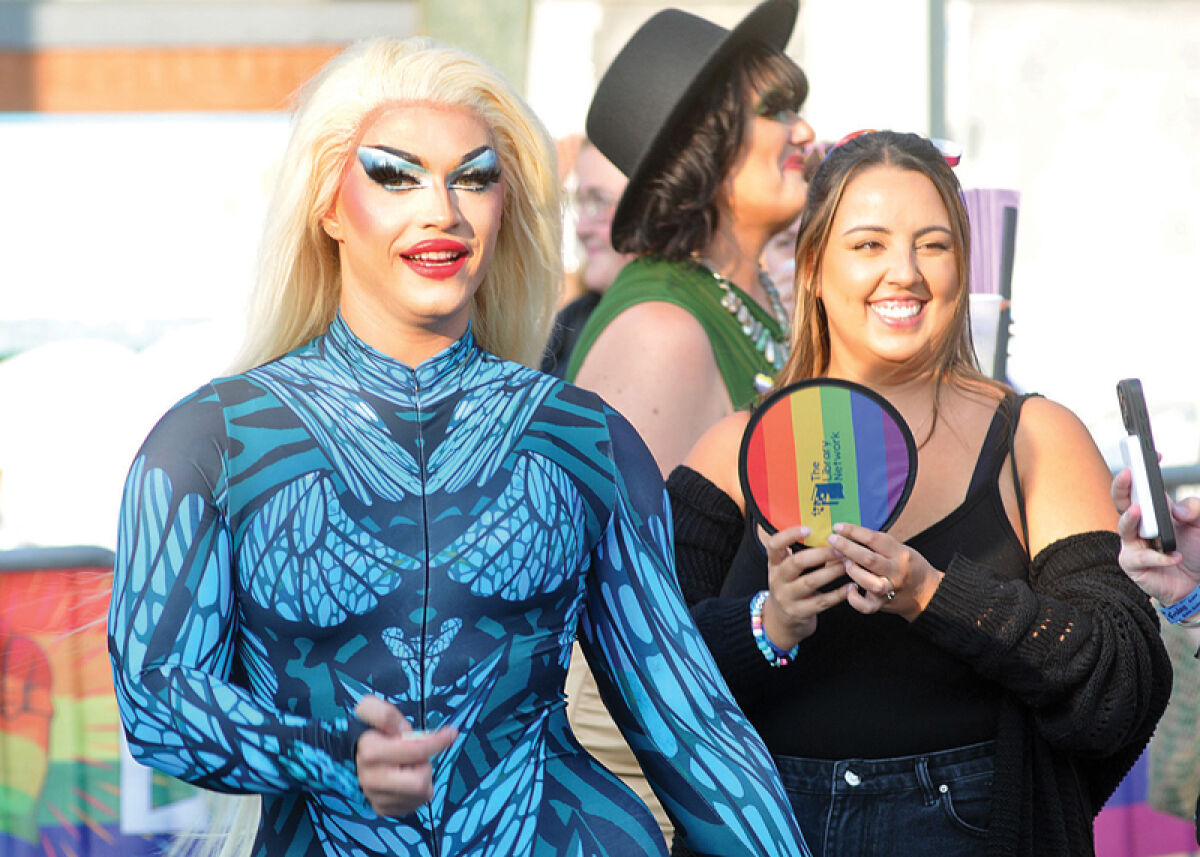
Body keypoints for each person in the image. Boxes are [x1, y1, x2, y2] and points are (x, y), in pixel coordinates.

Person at [106, 36, 811, 857]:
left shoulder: (583, 440)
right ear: (327, 205)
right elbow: (155, 704)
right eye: (394, 175)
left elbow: (690, 727)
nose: (441, 210)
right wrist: (331, 751)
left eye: (474, 178)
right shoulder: (210, 442)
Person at [668, 130, 1171, 856]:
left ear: (963, 267)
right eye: (868, 244)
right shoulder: (730, 450)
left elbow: (1117, 680)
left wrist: (936, 597)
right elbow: (642, 675)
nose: (904, 273)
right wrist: (768, 622)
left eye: (933, 245)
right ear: (811, 266)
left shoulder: (1034, 438)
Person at [562, 0, 813, 838]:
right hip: (668, 795)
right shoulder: (661, 332)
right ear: (705, 145)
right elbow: (620, 626)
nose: (804, 130)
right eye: (776, 111)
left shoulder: (752, 297)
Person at [540, 140, 632, 377]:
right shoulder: (577, 319)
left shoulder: (670, 335)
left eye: (599, 201)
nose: (581, 228)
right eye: (581, 201)